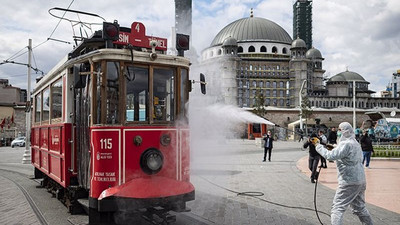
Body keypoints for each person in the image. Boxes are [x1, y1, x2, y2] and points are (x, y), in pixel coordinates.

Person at [311, 122, 373, 225]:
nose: (338, 132)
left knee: (337, 208)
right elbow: (344, 153)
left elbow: (330, 156)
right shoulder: (355, 143)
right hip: (360, 180)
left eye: (340, 130)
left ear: (345, 131)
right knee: (360, 208)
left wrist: (318, 145)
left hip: (348, 181)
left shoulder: (345, 144)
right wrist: (333, 147)